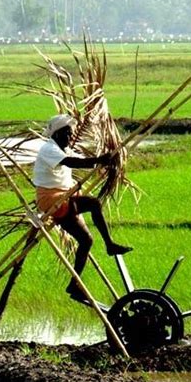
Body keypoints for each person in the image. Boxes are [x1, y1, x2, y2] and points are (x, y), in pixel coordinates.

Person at [34, 114, 132, 302]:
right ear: (57, 134)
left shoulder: (64, 149)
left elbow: (79, 160)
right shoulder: (49, 149)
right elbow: (71, 162)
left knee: (86, 241)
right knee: (94, 203)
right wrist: (99, 159)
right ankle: (110, 245)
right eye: (67, 134)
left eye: (71, 134)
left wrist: (104, 162)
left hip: (65, 197)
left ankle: (75, 284)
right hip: (51, 199)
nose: (70, 137)